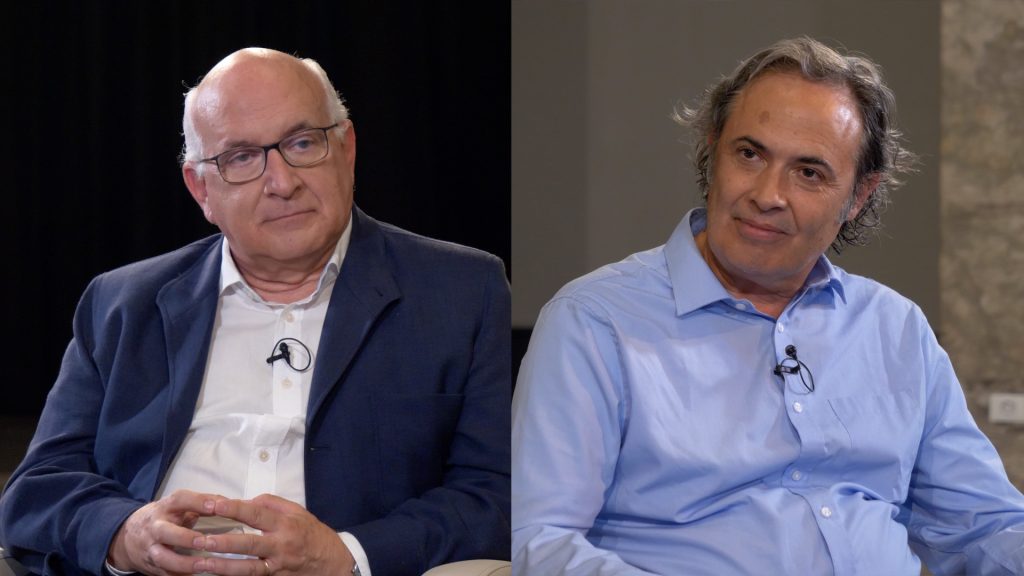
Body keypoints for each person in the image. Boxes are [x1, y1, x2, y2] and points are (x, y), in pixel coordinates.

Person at [511, 37, 1024, 575]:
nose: (767, 195)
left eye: (809, 172)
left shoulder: (896, 330)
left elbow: (984, 527)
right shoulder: (596, 320)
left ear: (859, 196)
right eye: (749, 154)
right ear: (712, 150)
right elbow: (539, 540)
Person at [0, 48, 510, 576]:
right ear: (201, 189)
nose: (282, 183)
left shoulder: (460, 291)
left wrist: (348, 554)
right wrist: (126, 534)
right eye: (241, 157)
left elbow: (495, 495)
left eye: (302, 143)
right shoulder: (122, 304)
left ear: (347, 149)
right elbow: (38, 489)